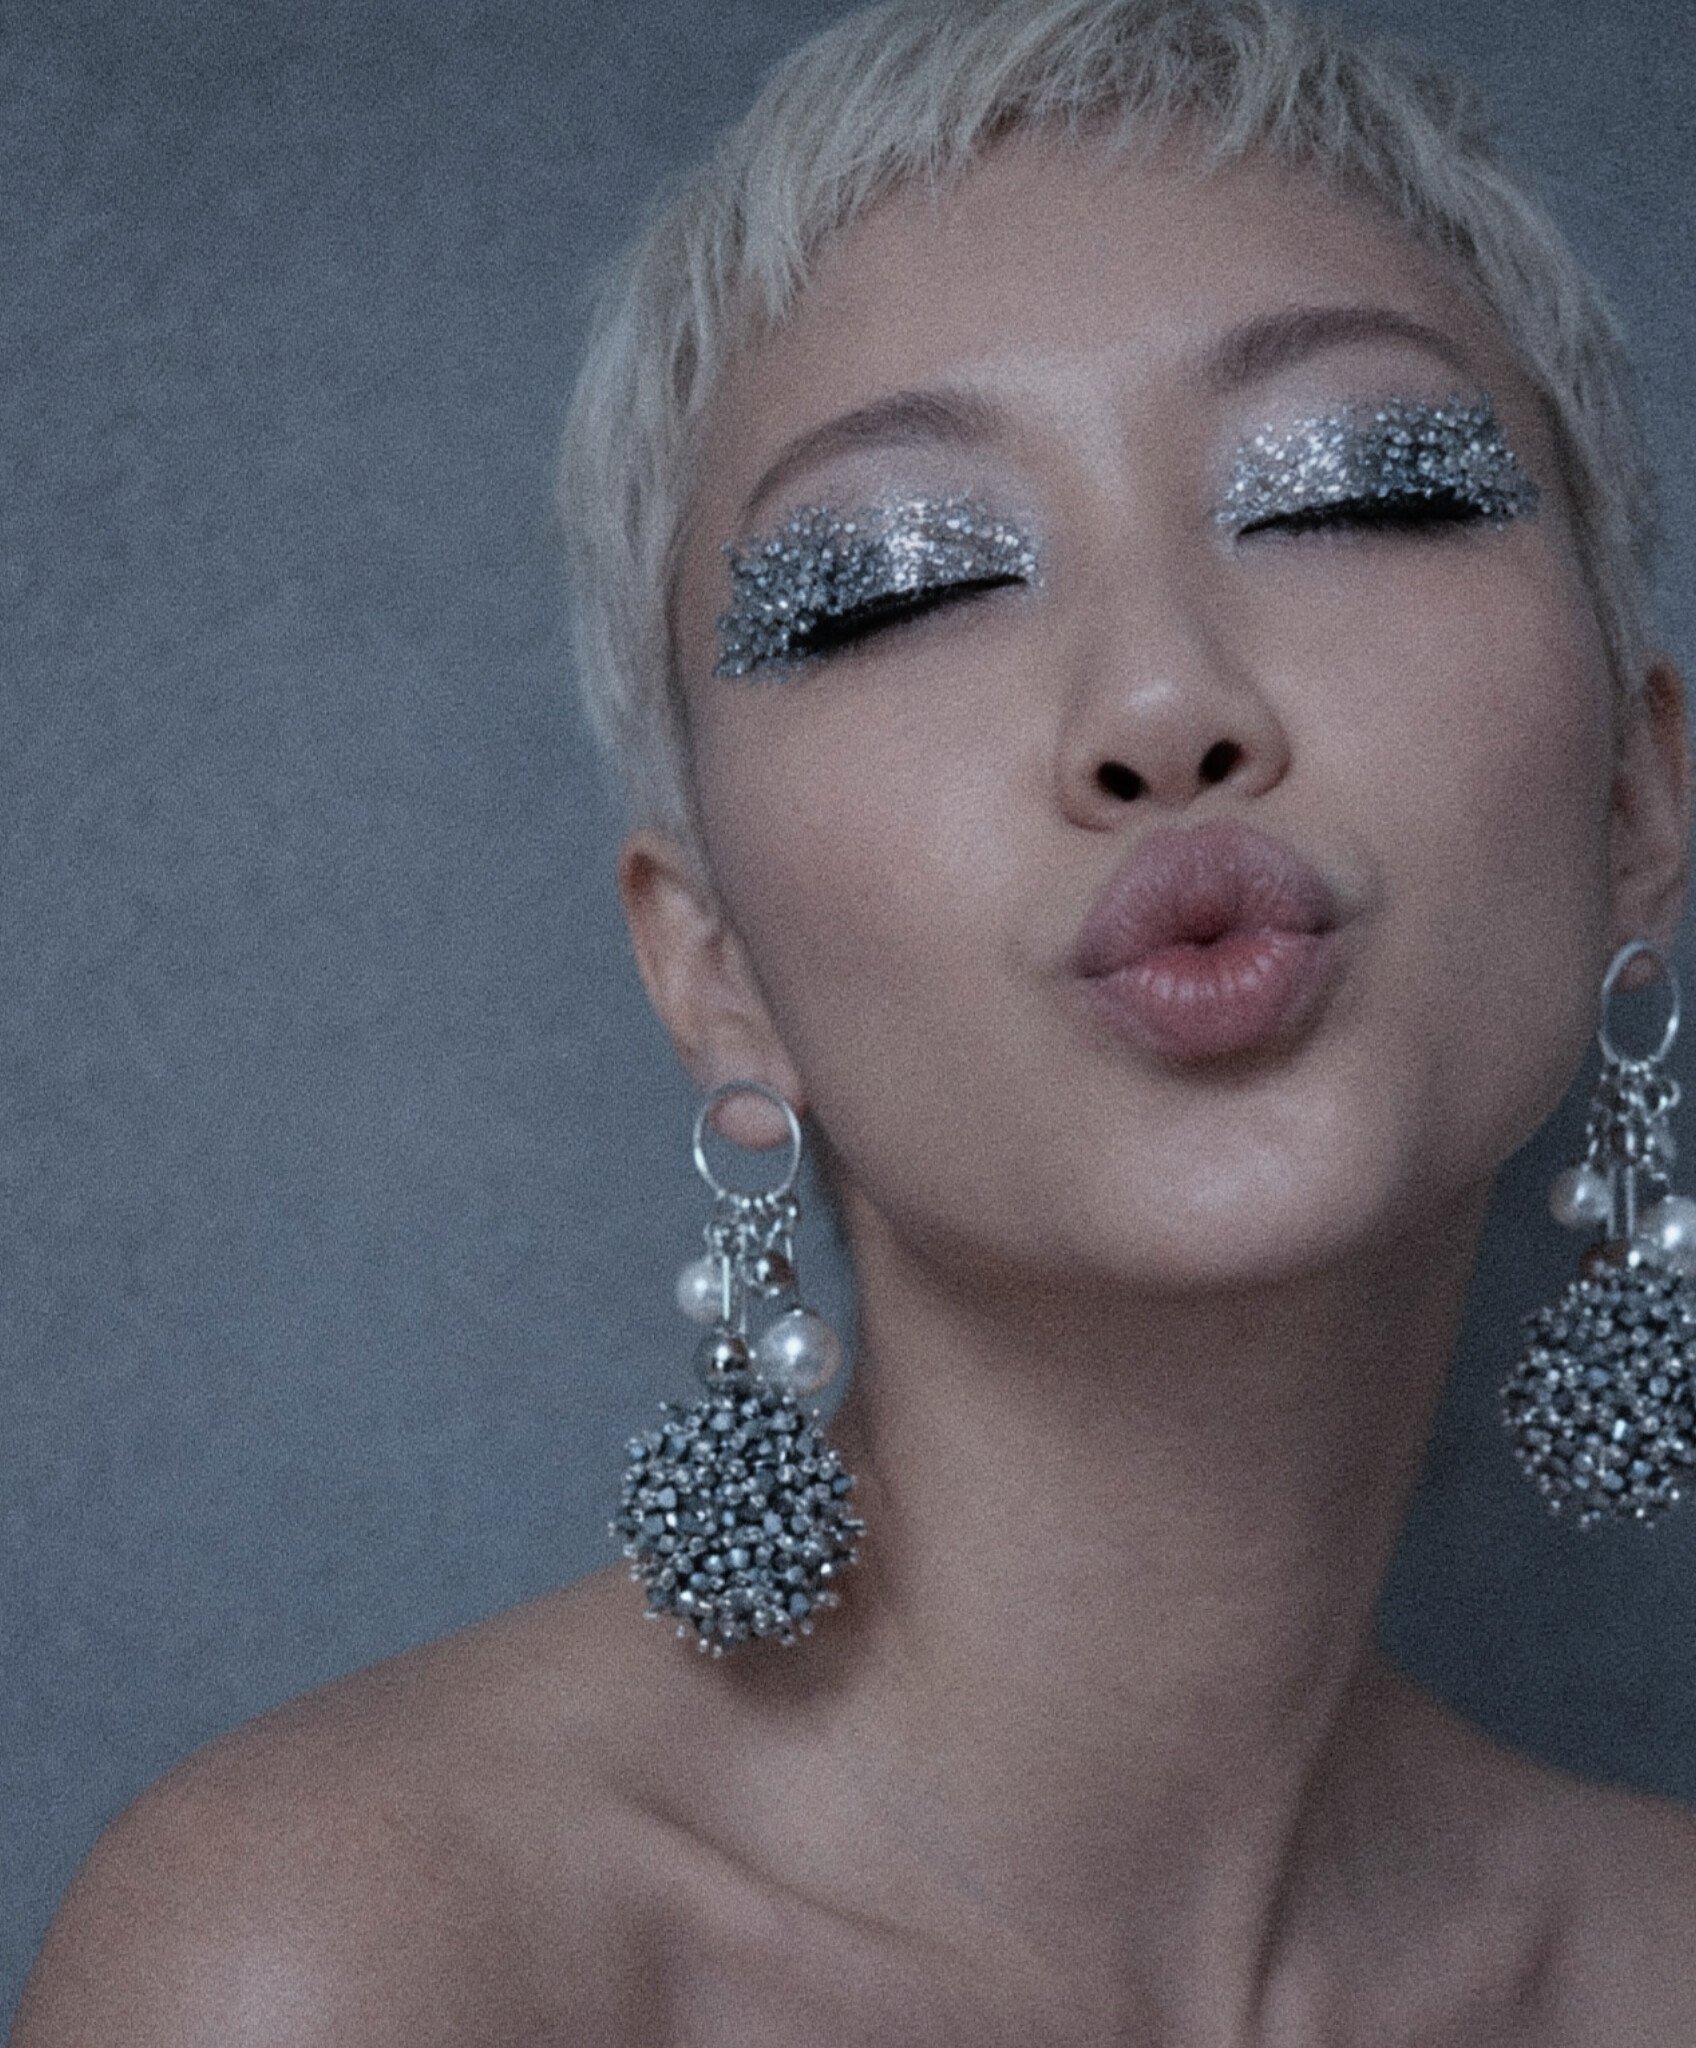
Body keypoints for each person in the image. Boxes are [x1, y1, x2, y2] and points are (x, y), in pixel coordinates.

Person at [12, 0, 1696, 2040]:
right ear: (711, 967)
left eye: (1358, 488)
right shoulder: (352, 1969)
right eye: (894, 584)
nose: (1160, 701)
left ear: (1635, 801)